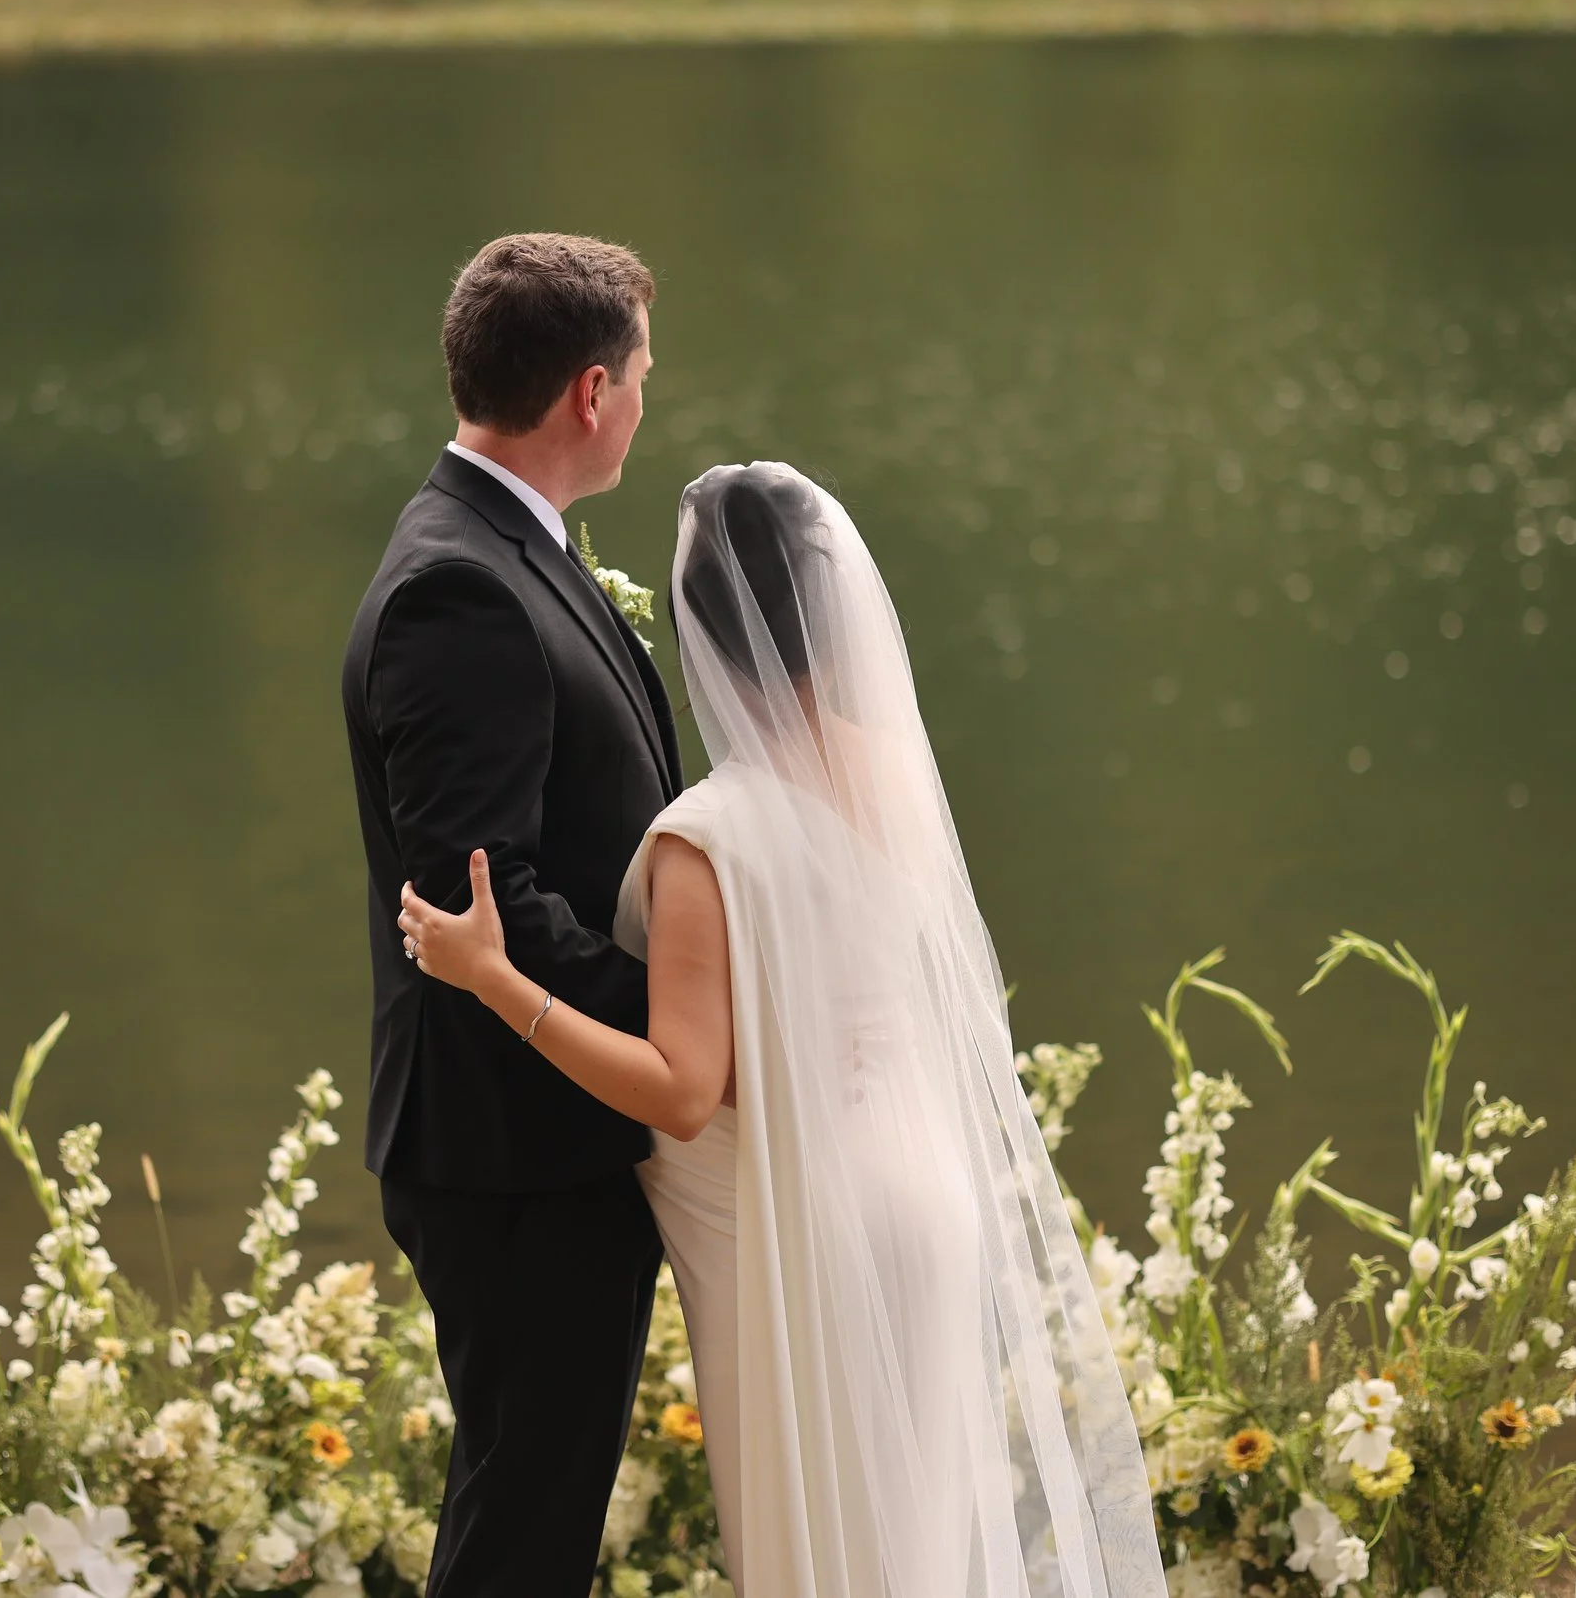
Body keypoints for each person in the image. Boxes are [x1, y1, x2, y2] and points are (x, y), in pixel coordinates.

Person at [397, 462, 1169, 1598]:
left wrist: (495, 977)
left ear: (702, 632)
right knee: (918, 1555)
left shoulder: (709, 837)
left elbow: (680, 1086)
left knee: (825, 1561)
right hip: (921, 1200)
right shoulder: (882, 774)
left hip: (803, 1231)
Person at [338, 232, 680, 1598]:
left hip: (542, 1129)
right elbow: (487, 896)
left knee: (535, 1502)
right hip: (515, 1147)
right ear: (590, 392)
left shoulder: (499, 545)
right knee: (524, 1521)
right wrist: (686, 1039)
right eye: (646, 373)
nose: (650, 401)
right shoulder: (458, 585)